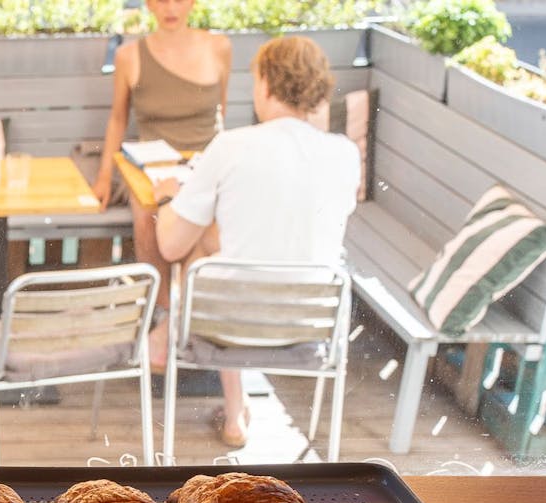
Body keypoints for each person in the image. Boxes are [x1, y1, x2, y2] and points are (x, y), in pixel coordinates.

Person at [153, 35, 361, 448]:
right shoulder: (344, 153)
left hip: (226, 328)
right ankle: (235, 409)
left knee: (200, 246)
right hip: (308, 331)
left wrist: (167, 195)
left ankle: (168, 345)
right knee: (228, 247)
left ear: (264, 84)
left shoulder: (231, 146)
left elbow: (170, 247)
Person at [91, 0, 230, 364]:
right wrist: (104, 175)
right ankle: (165, 313)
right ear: (150, 4)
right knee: (149, 215)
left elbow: (222, 116)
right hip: (151, 166)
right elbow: (117, 119)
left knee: (209, 230)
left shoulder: (218, 48)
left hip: (203, 166)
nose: (170, 7)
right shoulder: (129, 55)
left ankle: (195, 323)